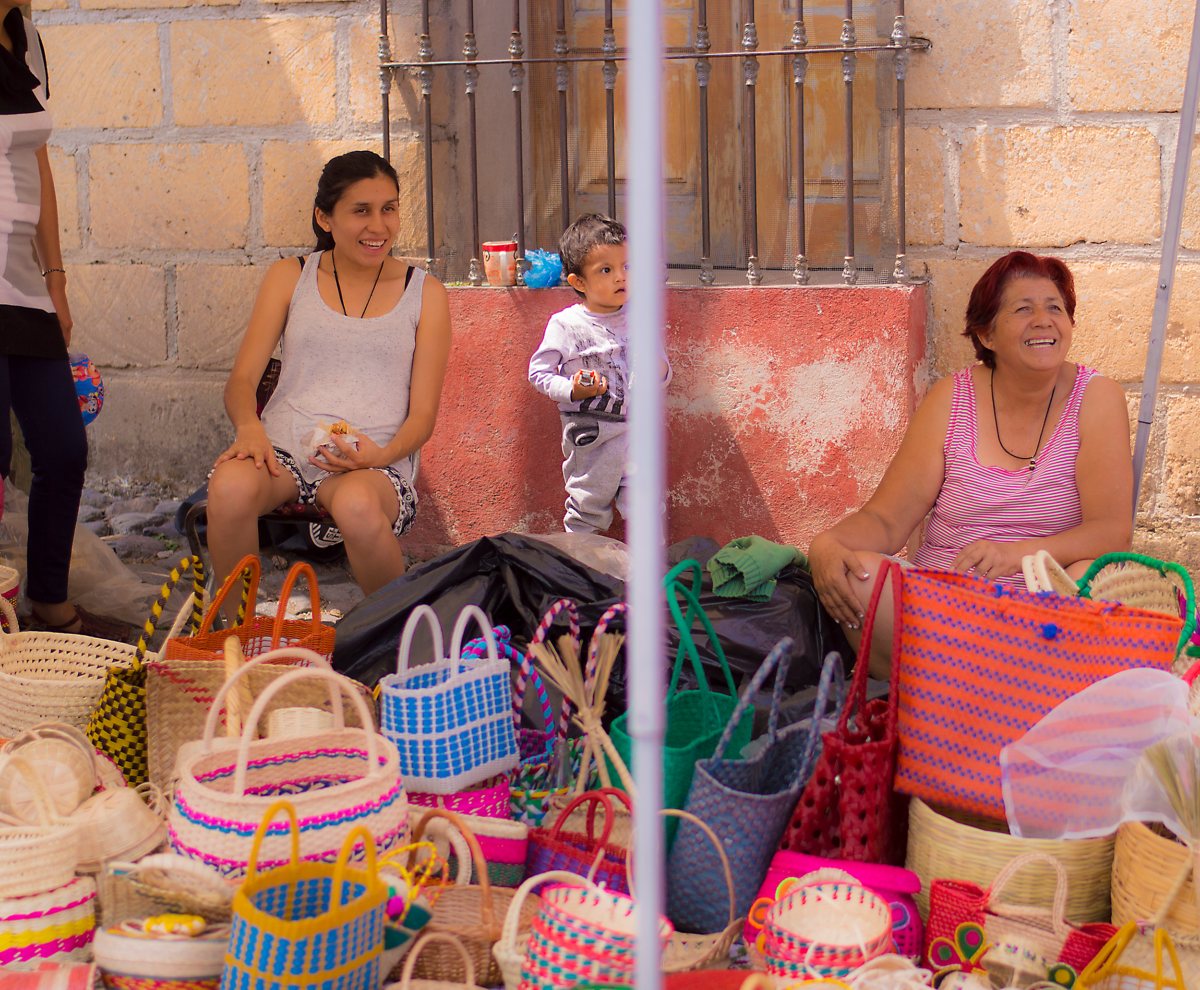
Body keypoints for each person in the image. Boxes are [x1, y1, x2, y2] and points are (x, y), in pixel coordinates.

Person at [809, 251, 1133, 675]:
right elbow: (887, 521)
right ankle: (955, 689)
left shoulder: (1097, 398)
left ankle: (976, 686)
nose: (1044, 319)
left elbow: (1111, 531)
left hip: (1042, 616)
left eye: (1055, 308)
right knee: (861, 576)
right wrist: (826, 545)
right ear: (987, 335)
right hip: (944, 611)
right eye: (1023, 309)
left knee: (1095, 580)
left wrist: (1016, 556)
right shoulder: (951, 399)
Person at [206, 150, 451, 598]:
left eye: (389, 209)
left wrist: (380, 456)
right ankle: (237, 640)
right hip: (284, 449)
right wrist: (249, 429)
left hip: (372, 457)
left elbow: (423, 417)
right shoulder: (290, 276)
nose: (379, 227)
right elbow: (242, 380)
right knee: (229, 489)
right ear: (325, 217)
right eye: (361, 211)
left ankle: (396, 641)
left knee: (357, 505)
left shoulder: (426, 294)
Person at [0, 4, 116, 637]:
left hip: (22, 284)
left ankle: (46, 597)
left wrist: (56, 277)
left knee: (64, 448)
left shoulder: (28, 39)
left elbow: (37, 162)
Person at [528, 213, 671, 534]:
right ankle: (581, 577)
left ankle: (651, 578)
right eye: (606, 270)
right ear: (578, 282)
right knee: (587, 511)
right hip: (592, 441)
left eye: (628, 267)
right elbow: (538, 374)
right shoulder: (565, 325)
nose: (621, 277)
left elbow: (661, 369)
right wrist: (573, 389)